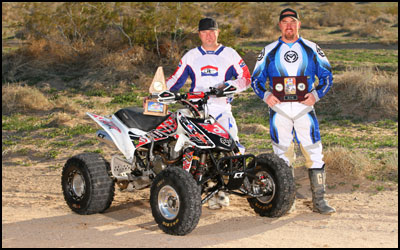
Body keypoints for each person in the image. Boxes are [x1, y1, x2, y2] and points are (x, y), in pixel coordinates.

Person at [251, 8, 335, 214]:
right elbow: (256, 80)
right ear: (279, 25)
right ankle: (287, 201)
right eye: (285, 22)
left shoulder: (312, 48)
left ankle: (319, 200)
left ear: (299, 24)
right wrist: (266, 96)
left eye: (293, 21)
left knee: (314, 153)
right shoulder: (269, 50)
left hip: (304, 109)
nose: (289, 25)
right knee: (282, 157)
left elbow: (327, 76)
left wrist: (315, 96)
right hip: (279, 110)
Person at [166, 17, 251, 209]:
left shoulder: (229, 54)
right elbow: (175, 81)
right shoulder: (191, 56)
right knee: (184, 146)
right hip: (194, 109)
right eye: (205, 32)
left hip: (221, 108)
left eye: (212, 32)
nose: (209, 36)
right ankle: (186, 187)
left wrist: (229, 86)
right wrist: (158, 91)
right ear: (199, 34)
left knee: (232, 146)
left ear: (218, 32)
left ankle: (222, 190)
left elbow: (246, 78)